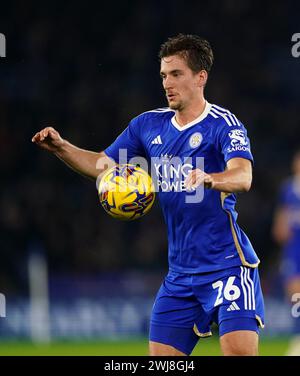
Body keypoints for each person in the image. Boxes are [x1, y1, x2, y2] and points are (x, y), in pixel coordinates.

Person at [32, 34, 264, 356]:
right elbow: (103, 166)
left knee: (239, 354)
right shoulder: (148, 125)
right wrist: (61, 148)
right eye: (164, 76)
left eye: (176, 74)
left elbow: (243, 175)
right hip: (180, 274)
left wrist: (211, 179)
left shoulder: (224, 125)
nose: (167, 83)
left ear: (201, 77)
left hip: (226, 266)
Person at [272, 150, 300, 356]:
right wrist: (280, 229)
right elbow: (280, 226)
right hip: (293, 249)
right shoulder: (289, 188)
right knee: (295, 295)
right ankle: (297, 337)